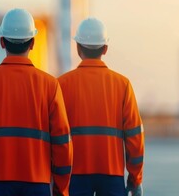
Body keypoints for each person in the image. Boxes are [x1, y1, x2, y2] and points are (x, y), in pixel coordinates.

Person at [0, 8, 73, 196]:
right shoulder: (50, 85)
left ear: (2, 42)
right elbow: (62, 142)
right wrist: (61, 189)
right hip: (38, 183)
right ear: (33, 43)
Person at [58, 18, 144, 196]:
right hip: (112, 176)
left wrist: (56, 178)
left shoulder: (62, 85)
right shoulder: (122, 84)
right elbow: (135, 138)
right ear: (105, 49)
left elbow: (55, 136)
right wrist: (135, 179)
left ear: (77, 47)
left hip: (75, 175)